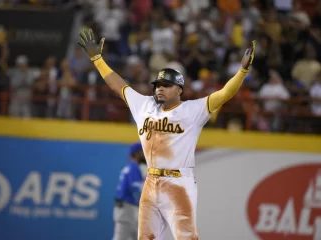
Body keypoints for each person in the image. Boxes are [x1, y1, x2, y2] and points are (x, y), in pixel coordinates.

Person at [78, 28, 256, 240]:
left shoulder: (193, 110)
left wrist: (242, 71)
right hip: (151, 181)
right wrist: (97, 59)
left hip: (179, 182)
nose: (159, 89)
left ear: (179, 90)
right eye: (158, 85)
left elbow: (225, 94)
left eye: (166, 85)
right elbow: (118, 85)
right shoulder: (143, 104)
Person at [113, 142, 147, 240]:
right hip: (127, 208)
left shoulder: (130, 167)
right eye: (142, 152)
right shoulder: (133, 167)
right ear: (136, 153)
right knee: (120, 237)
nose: (145, 154)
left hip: (128, 208)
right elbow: (135, 186)